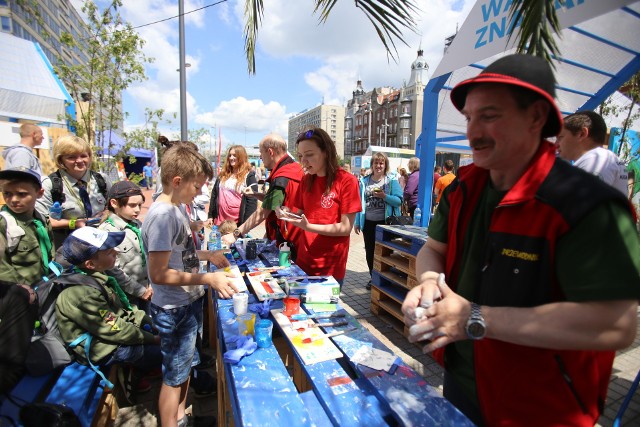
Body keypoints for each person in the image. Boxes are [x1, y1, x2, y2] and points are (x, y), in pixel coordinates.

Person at [401, 54, 640, 426]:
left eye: (490, 115)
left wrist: (475, 318)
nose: (473, 131)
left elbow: (616, 324)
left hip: (543, 405)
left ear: (536, 118)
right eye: (470, 118)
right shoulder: (463, 187)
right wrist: (429, 282)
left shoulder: (588, 204)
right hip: (462, 378)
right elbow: (433, 250)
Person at [142, 143, 238, 427]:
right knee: (173, 377)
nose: (199, 193)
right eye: (197, 187)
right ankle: (170, 421)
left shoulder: (176, 209)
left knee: (183, 372)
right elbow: (159, 273)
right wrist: (207, 278)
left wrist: (206, 255)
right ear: (177, 181)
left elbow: (178, 255)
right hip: (174, 309)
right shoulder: (163, 216)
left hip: (185, 304)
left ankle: (180, 417)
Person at [55, 227, 162, 402]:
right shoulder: (82, 293)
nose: (117, 252)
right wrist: (151, 338)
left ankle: (142, 371)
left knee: (165, 335)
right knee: (170, 351)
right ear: (90, 264)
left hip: (112, 336)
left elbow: (123, 310)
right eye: (109, 251)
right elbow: (114, 329)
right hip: (102, 348)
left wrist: (147, 321)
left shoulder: (97, 276)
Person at [277, 127, 361, 286]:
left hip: (330, 268)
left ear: (326, 152)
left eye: (309, 155)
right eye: (301, 156)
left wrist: (309, 227)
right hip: (303, 260)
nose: (303, 161)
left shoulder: (347, 181)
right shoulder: (306, 181)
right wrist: (285, 211)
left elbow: (345, 228)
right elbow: (298, 213)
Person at [221, 134, 303, 252]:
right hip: (292, 237)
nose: (260, 157)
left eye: (261, 153)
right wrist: (256, 194)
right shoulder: (293, 168)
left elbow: (263, 212)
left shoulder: (282, 177)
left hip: (288, 243)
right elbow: (280, 200)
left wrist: (235, 234)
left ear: (270, 152)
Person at [36, 135, 110, 248]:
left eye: (83, 156)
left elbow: (113, 206)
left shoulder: (101, 180)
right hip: (67, 246)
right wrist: (74, 223)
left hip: (100, 243)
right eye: (72, 157)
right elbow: (42, 221)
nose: (79, 160)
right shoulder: (49, 184)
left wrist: (106, 213)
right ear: (61, 160)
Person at [98, 181, 152, 310]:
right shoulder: (107, 231)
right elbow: (112, 269)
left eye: (140, 205)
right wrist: (140, 291)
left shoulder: (136, 224)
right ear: (114, 203)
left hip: (147, 290)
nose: (138, 210)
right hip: (126, 297)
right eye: (132, 205)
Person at [354, 153, 402, 290]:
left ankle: (385, 278)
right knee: (370, 252)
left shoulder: (391, 180)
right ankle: (373, 278)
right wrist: (357, 222)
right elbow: (359, 203)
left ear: (385, 165)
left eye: (381, 163)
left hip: (385, 223)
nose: (378, 165)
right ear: (372, 165)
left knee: (385, 253)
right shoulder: (364, 181)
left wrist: (384, 196)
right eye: (376, 163)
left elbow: (398, 201)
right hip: (368, 223)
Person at [0, 167, 55, 285]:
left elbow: (50, 252)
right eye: (7, 193)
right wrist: (21, 287)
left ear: (39, 193)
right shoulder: (4, 223)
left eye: (22, 194)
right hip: (18, 291)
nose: (14, 199)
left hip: (43, 284)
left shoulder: (42, 220)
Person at [556, 110, 628, 195]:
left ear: (582, 134)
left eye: (560, 137)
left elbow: (581, 203)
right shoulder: (602, 158)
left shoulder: (597, 159)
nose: (556, 144)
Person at [208, 145, 257, 228]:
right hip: (221, 222)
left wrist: (245, 225)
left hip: (237, 223)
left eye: (234, 155)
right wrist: (210, 215)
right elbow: (214, 195)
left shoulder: (249, 176)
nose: (231, 158)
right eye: (230, 155)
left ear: (241, 157)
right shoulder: (222, 175)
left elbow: (252, 201)